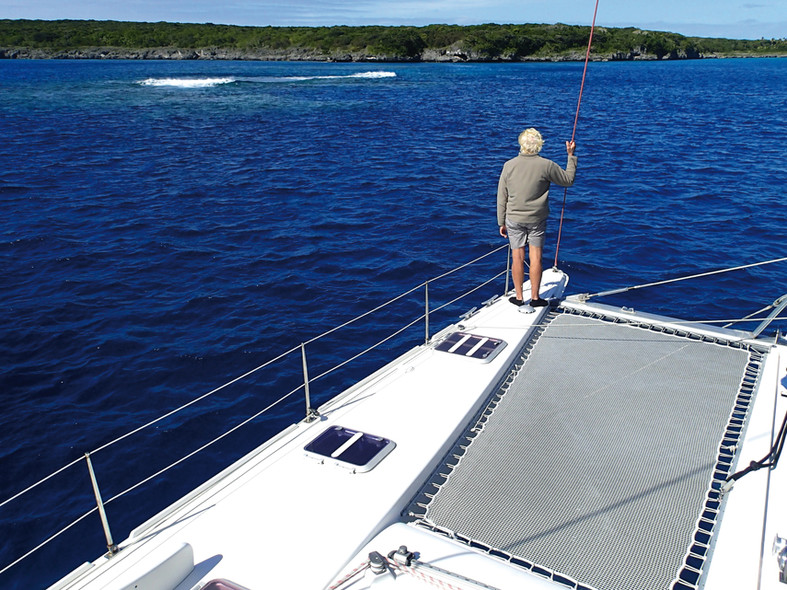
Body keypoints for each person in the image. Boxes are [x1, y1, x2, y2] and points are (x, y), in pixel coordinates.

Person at [497, 128, 577, 309]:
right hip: (537, 219)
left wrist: (501, 222)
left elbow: (502, 196)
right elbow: (568, 180)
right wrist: (570, 155)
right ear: (539, 145)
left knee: (517, 258)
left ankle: (518, 297)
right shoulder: (546, 165)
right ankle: (535, 297)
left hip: (514, 218)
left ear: (521, 144)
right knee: (536, 258)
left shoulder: (509, 165)